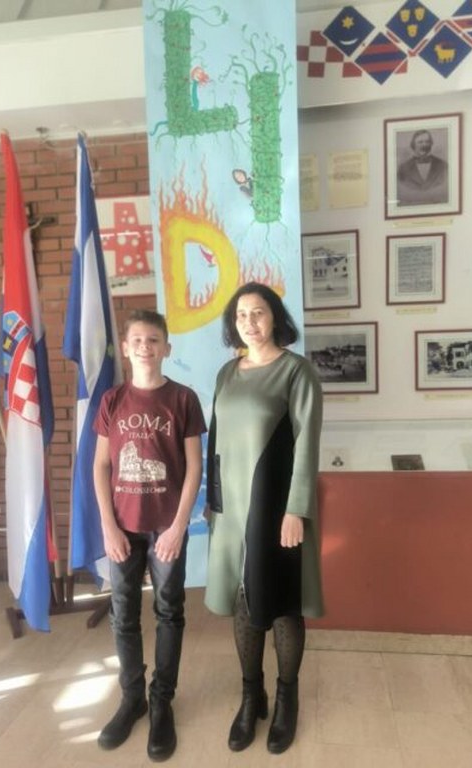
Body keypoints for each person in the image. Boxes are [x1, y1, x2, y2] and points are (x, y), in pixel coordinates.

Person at [204, 282, 324, 755]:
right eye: (241, 315)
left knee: (281, 601)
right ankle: (251, 696)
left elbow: (307, 444)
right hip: (232, 509)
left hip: (276, 507)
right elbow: (216, 443)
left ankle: (287, 698)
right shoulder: (226, 372)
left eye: (258, 313)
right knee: (243, 597)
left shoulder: (297, 372)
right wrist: (213, 501)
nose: (249, 323)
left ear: (275, 317)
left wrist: (297, 509)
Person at [93, 309, 206, 761]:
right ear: (125, 348)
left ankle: (162, 701)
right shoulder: (112, 400)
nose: (145, 346)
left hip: (166, 527)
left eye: (154, 339)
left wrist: (178, 526)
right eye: (137, 340)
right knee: (123, 615)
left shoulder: (183, 399)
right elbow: (101, 465)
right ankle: (132, 698)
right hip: (123, 527)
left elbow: (194, 466)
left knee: (169, 611)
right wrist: (107, 526)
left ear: (166, 348)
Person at [396, 129, 449, 206]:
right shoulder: (403, 168)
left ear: (431, 144)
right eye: (420, 142)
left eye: (427, 142)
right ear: (413, 145)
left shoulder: (443, 165)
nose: (424, 145)